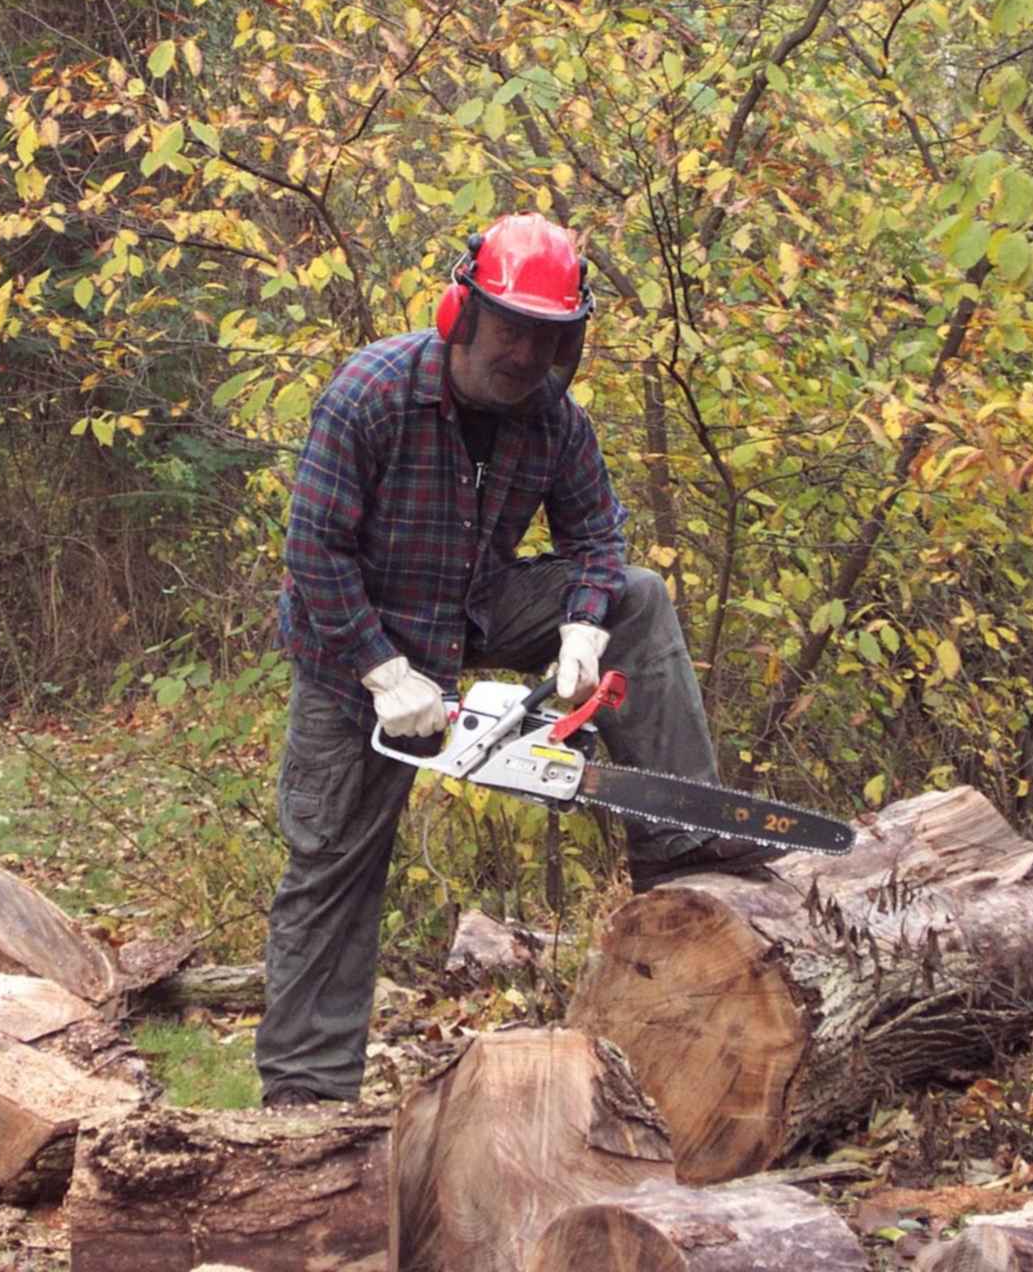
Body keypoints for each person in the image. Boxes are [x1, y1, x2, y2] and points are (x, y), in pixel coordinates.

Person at [258, 212, 781, 1109]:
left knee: (637, 599)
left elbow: (595, 532)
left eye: (546, 336)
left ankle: (683, 844)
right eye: (509, 328)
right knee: (333, 862)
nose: (524, 352)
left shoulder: (553, 419)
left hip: (471, 607)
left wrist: (583, 628)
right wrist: (385, 674)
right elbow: (314, 555)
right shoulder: (371, 394)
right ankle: (307, 1093)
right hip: (357, 640)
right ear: (462, 311)